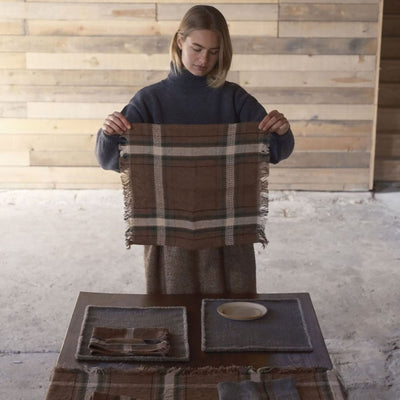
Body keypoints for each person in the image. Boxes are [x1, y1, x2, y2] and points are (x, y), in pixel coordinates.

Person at [95, 5, 294, 295]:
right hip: (169, 236)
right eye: (197, 48)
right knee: (172, 318)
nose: (204, 60)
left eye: (214, 52)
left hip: (229, 233)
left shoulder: (235, 99)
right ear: (179, 41)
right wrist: (108, 133)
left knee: (231, 320)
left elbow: (275, 152)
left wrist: (283, 131)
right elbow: (110, 160)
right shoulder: (149, 100)